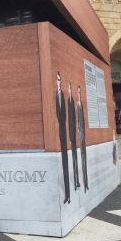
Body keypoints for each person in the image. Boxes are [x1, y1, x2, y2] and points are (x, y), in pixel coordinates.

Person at [56, 72, 71, 204]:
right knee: (63, 165)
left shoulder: (63, 96)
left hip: (65, 135)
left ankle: (68, 194)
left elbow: (65, 117)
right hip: (60, 135)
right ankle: (66, 195)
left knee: (66, 165)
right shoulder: (56, 95)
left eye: (59, 80)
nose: (58, 82)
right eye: (57, 80)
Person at [68, 82, 80, 190]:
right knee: (73, 158)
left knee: (76, 158)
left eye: (71, 88)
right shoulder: (68, 101)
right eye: (69, 89)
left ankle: (77, 181)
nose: (70, 90)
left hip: (75, 135)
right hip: (71, 136)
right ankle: (76, 181)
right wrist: (70, 138)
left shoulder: (74, 103)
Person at [77, 86, 89, 191]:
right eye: (79, 92)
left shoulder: (81, 105)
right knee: (81, 158)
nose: (79, 94)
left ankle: (86, 183)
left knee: (84, 158)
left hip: (83, 136)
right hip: (79, 136)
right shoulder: (76, 105)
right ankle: (83, 183)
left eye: (80, 92)